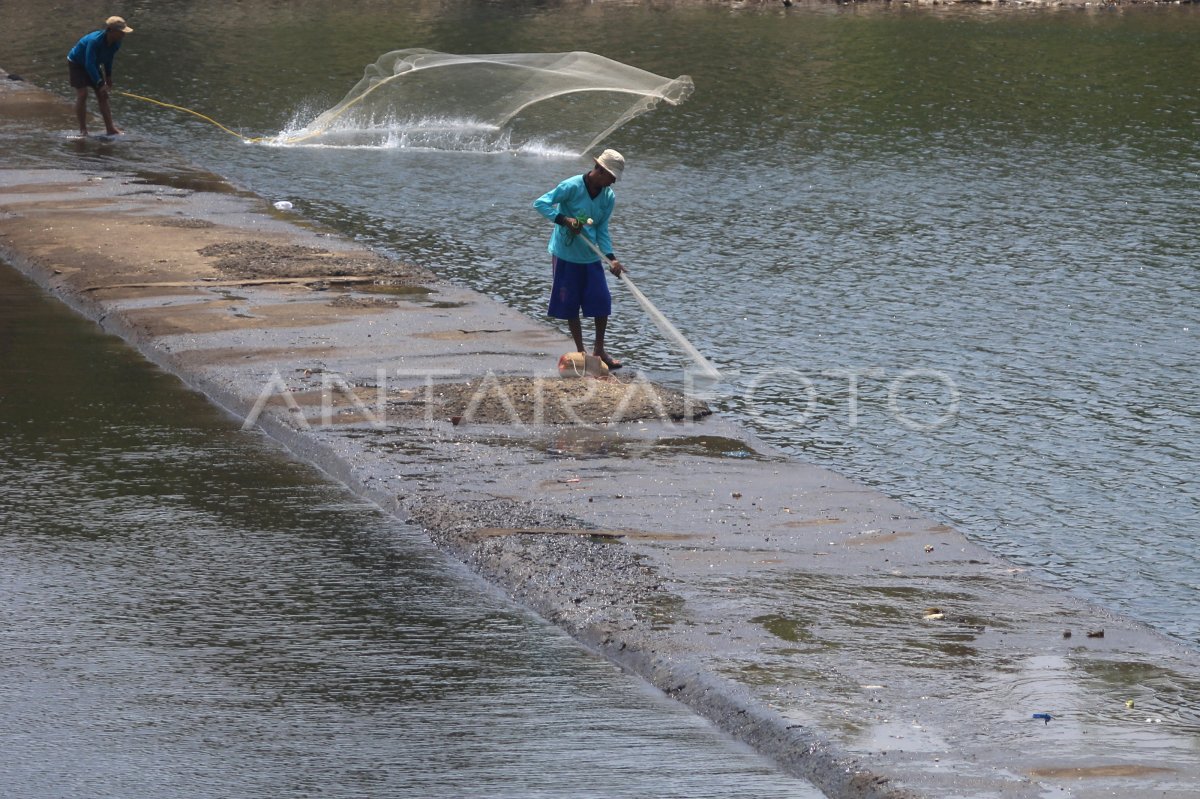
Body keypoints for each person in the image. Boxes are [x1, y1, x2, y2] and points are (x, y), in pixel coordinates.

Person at [532, 148, 628, 370]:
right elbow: (541, 203)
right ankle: (581, 351)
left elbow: (602, 230)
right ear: (601, 170)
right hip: (566, 255)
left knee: (601, 301)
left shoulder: (608, 197)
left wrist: (611, 258)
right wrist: (565, 220)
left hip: (591, 255)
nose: (613, 183)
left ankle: (599, 350)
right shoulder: (572, 186)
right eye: (611, 178)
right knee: (571, 304)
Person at [67, 16, 133, 137]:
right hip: (77, 63)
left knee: (103, 95)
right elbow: (89, 63)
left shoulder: (116, 43)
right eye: (121, 32)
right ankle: (83, 130)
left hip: (93, 64)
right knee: (82, 94)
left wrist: (108, 76)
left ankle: (110, 128)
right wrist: (99, 83)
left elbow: (108, 59)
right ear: (111, 30)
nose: (124, 35)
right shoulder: (95, 41)